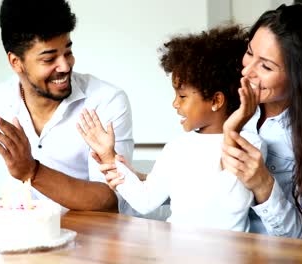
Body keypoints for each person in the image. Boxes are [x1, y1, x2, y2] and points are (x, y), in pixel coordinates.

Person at [0, 0, 133, 211]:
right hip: (25, 235)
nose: (64, 66)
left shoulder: (106, 100)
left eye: (68, 52)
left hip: (95, 239)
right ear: (16, 62)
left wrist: (32, 171)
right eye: (49, 59)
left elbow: (110, 199)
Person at [77, 26, 266, 231]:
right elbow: (145, 200)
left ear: (216, 100)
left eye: (183, 96)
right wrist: (109, 158)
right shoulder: (176, 148)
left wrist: (232, 129)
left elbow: (226, 198)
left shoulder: (252, 145)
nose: (175, 104)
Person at [221, 3, 302, 242]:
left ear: (300, 75)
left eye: (266, 66)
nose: (247, 72)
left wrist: (263, 185)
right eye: (250, 52)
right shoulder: (234, 102)